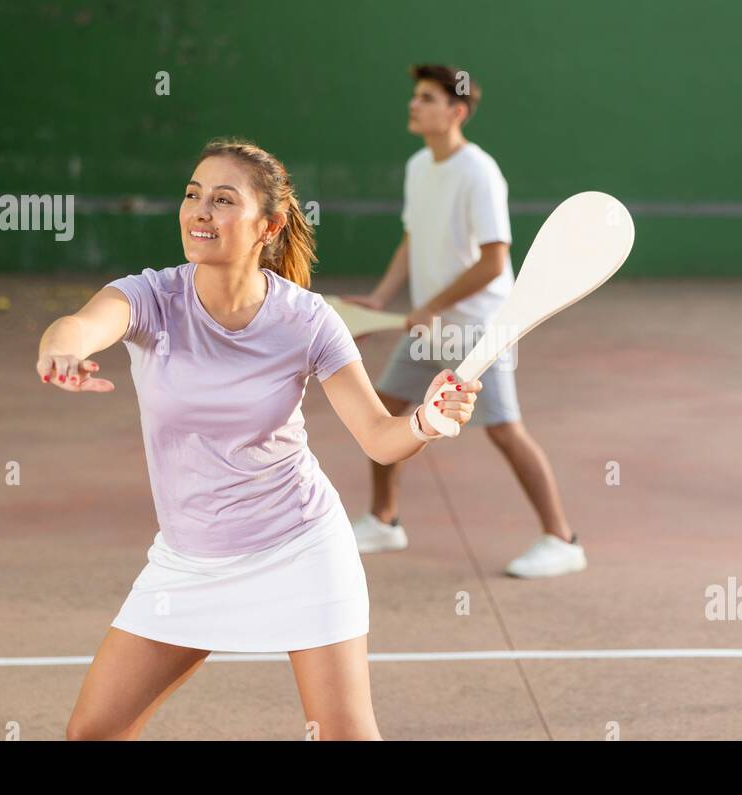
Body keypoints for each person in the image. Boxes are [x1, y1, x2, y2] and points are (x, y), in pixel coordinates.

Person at [38, 138, 481, 740]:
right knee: (92, 734)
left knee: (345, 736)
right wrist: (62, 351)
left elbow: (380, 437)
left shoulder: (308, 319)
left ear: (267, 225)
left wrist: (427, 420)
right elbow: (84, 324)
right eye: (193, 195)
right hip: (189, 561)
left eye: (222, 200)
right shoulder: (151, 298)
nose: (199, 211)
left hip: (299, 547)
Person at [342, 64, 584, 578]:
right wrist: (383, 296)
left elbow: (495, 260)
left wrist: (432, 306)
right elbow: (413, 238)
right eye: (414, 96)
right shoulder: (418, 166)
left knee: (504, 430)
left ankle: (562, 539)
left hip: (480, 327)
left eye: (426, 98)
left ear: (456, 111)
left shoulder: (479, 172)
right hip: (432, 325)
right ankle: (385, 521)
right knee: (385, 410)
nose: (414, 105)